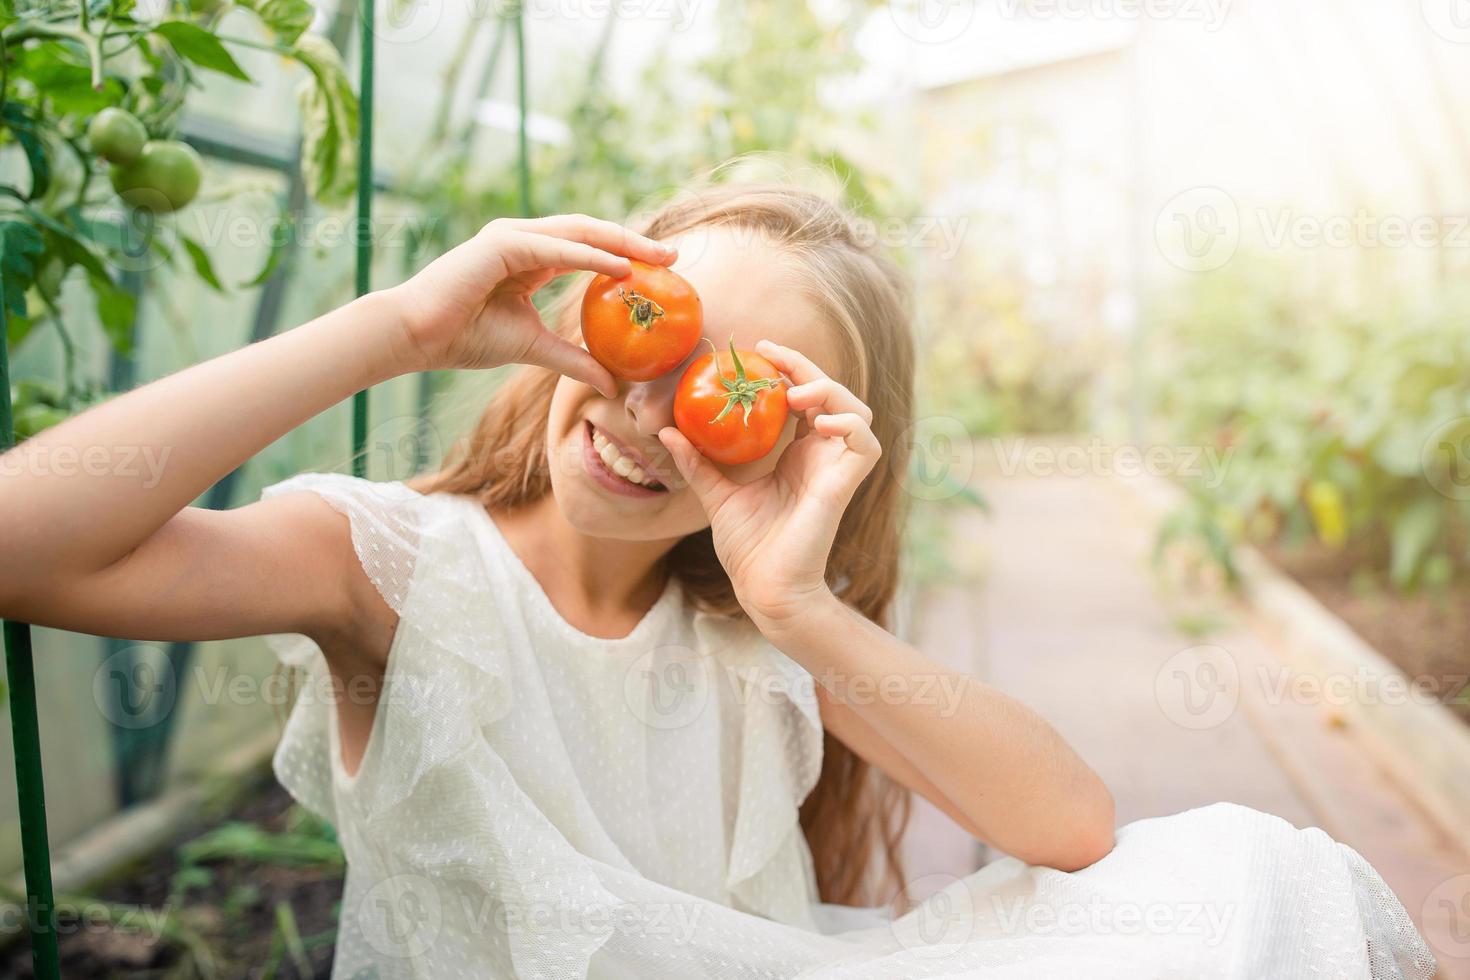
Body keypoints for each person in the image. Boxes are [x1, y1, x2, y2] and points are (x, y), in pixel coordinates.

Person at [0, 181, 1435, 978]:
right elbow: (24, 543)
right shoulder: (395, 570)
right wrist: (400, 326)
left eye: (731, 397)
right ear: (581, 315)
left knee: (1248, 876)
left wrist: (799, 601)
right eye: (648, 341)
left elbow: (1068, 829)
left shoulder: (752, 623)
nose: (651, 415)